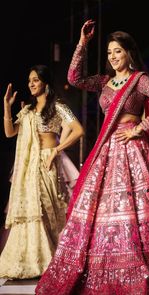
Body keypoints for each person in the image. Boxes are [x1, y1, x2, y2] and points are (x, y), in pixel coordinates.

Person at [35, 20, 149, 294]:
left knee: (134, 208)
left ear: (129, 54)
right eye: (110, 52)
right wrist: (82, 44)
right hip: (107, 150)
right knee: (99, 209)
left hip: (132, 149)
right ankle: (102, 262)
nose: (113, 57)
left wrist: (140, 128)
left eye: (118, 52)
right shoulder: (103, 82)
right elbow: (74, 79)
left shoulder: (139, 80)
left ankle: (140, 260)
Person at [0, 64, 84, 279]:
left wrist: (57, 149)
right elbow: (10, 133)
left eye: (36, 79)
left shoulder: (58, 107)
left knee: (49, 209)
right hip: (29, 168)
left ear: (45, 83)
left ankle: (53, 259)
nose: (31, 84)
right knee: (30, 211)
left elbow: (78, 130)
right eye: (30, 80)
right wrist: (7, 107)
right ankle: (30, 260)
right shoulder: (27, 110)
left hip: (47, 162)